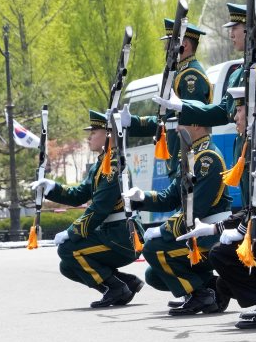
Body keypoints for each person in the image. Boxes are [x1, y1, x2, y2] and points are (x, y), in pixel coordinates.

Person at [179, 86, 256, 329]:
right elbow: (253, 206)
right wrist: (214, 228)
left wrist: (237, 229)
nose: (234, 117)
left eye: (239, 110)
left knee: (223, 257)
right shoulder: (255, 142)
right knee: (228, 276)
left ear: (254, 113)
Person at [30, 110, 144, 307]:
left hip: (121, 237)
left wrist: (71, 232)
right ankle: (124, 283)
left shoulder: (115, 165)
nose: (89, 136)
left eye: (94, 132)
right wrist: (52, 187)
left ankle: (116, 288)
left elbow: (100, 208)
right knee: (67, 266)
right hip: (110, 234)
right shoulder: (101, 164)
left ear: (108, 134)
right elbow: (79, 195)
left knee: (68, 249)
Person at [125, 122, 232, 316]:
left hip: (211, 234)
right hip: (196, 230)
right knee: (155, 275)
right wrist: (142, 197)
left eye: (182, 123)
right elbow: (169, 197)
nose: (176, 128)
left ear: (198, 126)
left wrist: (164, 229)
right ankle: (213, 289)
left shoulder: (208, 158)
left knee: (154, 249)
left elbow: (196, 209)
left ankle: (199, 295)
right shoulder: (192, 155)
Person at [126, 18, 212, 179]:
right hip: (178, 159)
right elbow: (167, 120)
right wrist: (134, 122)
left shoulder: (190, 76)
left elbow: (191, 122)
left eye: (169, 43)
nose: (165, 48)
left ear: (184, 45)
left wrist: (185, 160)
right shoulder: (180, 73)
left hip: (185, 158)